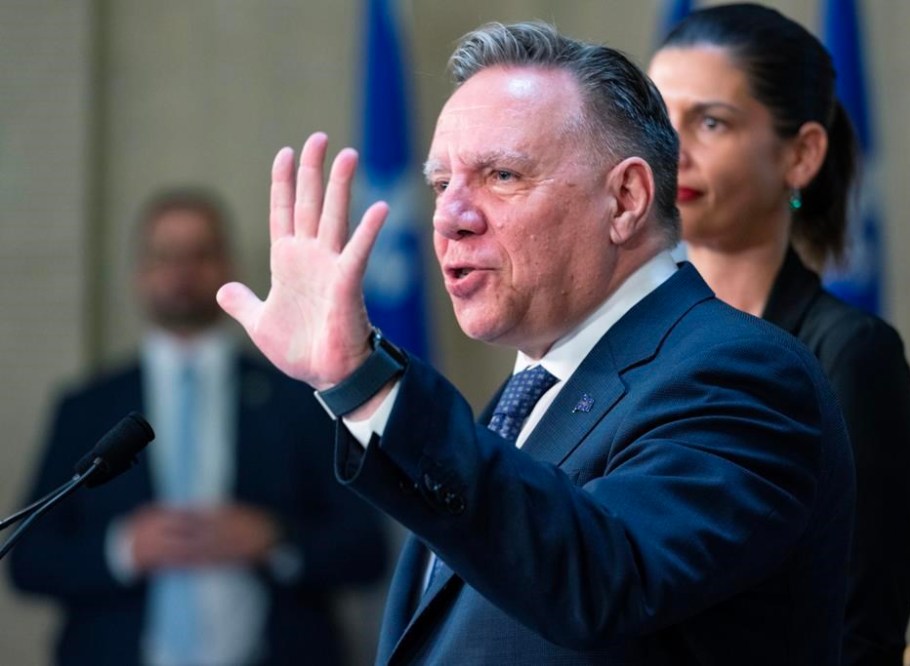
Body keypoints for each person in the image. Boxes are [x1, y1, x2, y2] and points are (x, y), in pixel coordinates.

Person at [217, 22, 855, 664]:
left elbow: (604, 578)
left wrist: (369, 383)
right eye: (441, 185)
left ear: (625, 199)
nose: (450, 218)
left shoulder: (739, 373)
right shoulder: (524, 398)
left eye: (501, 175)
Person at [647, 4, 910, 663]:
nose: (672, 151)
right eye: (658, 118)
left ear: (801, 154)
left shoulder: (851, 357)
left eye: (711, 122)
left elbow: (858, 633)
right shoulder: (619, 336)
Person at [9, 189, 388, 665]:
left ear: (228, 265)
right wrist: (123, 550)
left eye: (200, 254)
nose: (182, 272)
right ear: (140, 272)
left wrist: (276, 541)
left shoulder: (298, 395)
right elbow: (28, 559)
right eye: (166, 255)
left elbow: (367, 550)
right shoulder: (87, 407)